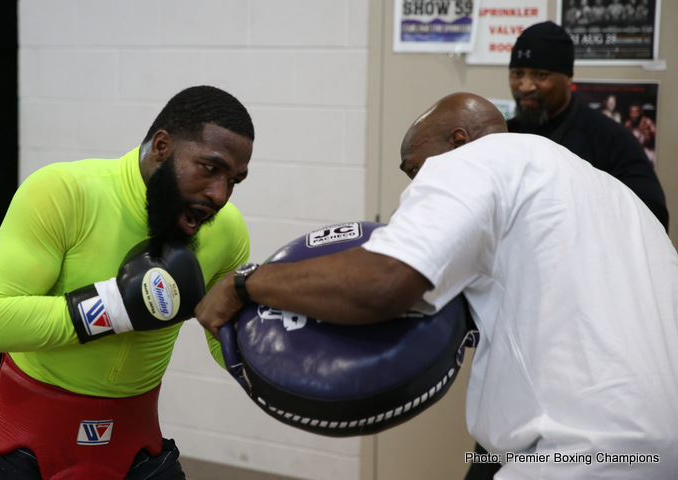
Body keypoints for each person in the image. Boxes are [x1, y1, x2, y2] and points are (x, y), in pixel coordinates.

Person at [196, 92, 678, 479]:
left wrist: (244, 284)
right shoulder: (616, 199)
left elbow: (382, 283)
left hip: (578, 454)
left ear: (458, 139)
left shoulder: (472, 162)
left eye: (414, 171)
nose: (412, 190)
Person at [0, 85, 255, 479]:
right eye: (209, 168)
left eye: (234, 179)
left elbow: (222, 334)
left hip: (134, 443)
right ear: (162, 147)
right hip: (26, 445)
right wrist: (117, 306)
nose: (220, 195)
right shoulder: (64, 192)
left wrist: (281, 362)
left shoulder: (227, 231)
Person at [506, 21, 668, 231]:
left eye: (541, 75)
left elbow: (653, 213)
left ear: (568, 77)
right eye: (517, 73)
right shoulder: (503, 135)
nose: (526, 86)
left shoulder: (610, 137)